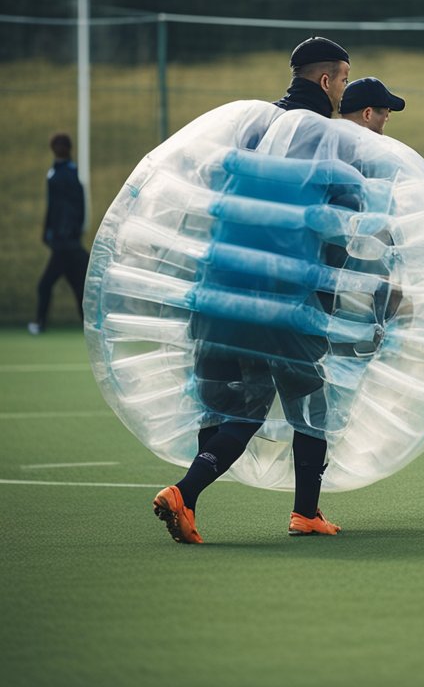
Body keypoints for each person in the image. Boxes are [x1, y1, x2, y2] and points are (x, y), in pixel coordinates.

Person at [151, 36, 353, 545]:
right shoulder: (325, 139)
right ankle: (299, 511)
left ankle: (191, 501)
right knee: (308, 403)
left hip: (214, 292)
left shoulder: (250, 127)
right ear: (326, 80)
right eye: (344, 80)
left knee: (224, 406)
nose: (343, 91)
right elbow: (344, 220)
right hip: (279, 299)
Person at [29, 132, 89, 335]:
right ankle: (88, 325)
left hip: (66, 244)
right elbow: (53, 207)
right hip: (65, 242)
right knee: (78, 289)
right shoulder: (58, 172)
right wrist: (48, 231)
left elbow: (71, 208)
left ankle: (39, 323)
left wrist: (64, 233)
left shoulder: (65, 174)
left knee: (45, 285)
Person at [339, 76, 405, 135]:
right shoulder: (374, 147)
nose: (387, 120)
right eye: (387, 114)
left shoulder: (331, 141)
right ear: (367, 114)